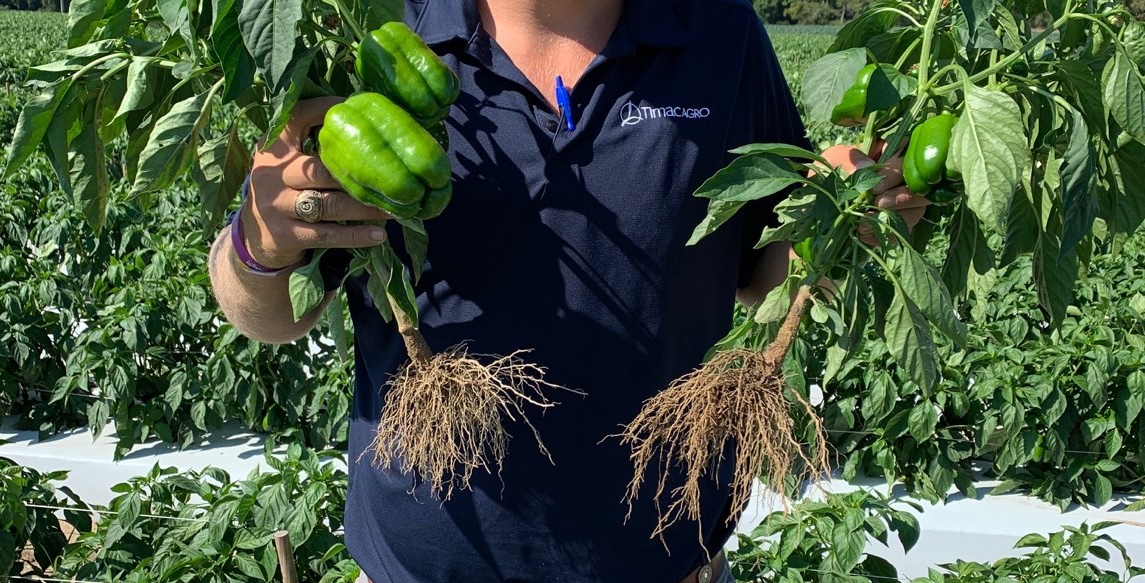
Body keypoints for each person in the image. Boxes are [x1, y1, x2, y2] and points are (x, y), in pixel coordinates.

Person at [207, 0, 926, 581]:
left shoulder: (718, 33)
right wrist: (258, 241)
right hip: (420, 568)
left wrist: (840, 217)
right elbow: (262, 313)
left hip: (668, 561)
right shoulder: (379, 33)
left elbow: (762, 271)